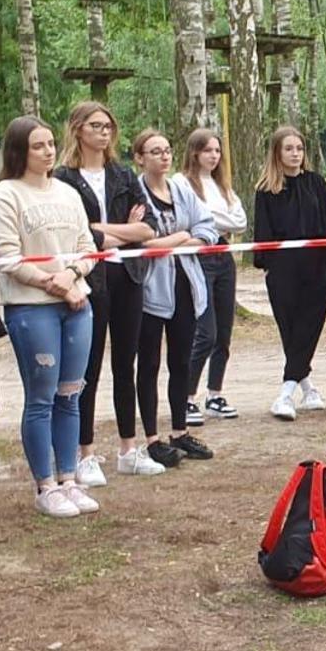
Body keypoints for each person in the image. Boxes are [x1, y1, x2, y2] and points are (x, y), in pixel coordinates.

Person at [0, 115, 98, 520]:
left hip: (77, 305)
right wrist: (56, 284)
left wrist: (73, 275)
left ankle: (69, 478)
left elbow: (88, 245)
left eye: (51, 143)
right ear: (20, 151)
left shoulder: (68, 193)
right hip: (32, 308)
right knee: (41, 397)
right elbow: (7, 256)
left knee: (70, 394)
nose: (48, 151)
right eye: (38, 145)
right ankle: (45, 485)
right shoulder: (6, 195)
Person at [52, 102, 158, 484]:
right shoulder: (63, 179)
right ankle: (85, 453)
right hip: (89, 279)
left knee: (125, 364)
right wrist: (114, 232)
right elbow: (74, 232)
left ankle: (129, 448)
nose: (104, 132)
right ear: (78, 129)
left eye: (108, 126)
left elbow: (147, 229)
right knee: (88, 368)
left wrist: (99, 230)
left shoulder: (122, 174)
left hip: (127, 276)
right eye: (96, 126)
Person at [126, 129, 217, 469]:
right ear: (139, 158)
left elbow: (207, 229)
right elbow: (139, 242)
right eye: (155, 151)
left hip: (186, 286)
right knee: (149, 363)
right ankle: (152, 439)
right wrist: (180, 236)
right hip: (150, 289)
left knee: (181, 360)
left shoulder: (181, 189)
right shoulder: (134, 193)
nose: (164, 156)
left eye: (166, 150)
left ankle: (180, 431)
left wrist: (175, 240)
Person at [253, 126, 326, 421]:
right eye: (288, 149)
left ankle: (286, 393)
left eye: (299, 148)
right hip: (283, 270)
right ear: (277, 152)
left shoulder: (316, 183)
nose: (295, 154)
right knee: (290, 329)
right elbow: (263, 231)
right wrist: (267, 263)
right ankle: (307, 388)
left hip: (318, 268)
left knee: (308, 326)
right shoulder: (266, 189)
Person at [179, 129, 245, 422]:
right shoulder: (182, 183)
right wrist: (213, 220)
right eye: (208, 150)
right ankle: (186, 397)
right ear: (195, 152)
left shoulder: (223, 186)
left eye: (217, 151)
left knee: (224, 332)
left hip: (224, 255)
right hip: (199, 257)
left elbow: (240, 222)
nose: (214, 156)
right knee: (205, 332)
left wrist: (211, 219)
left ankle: (215, 393)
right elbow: (194, 217)